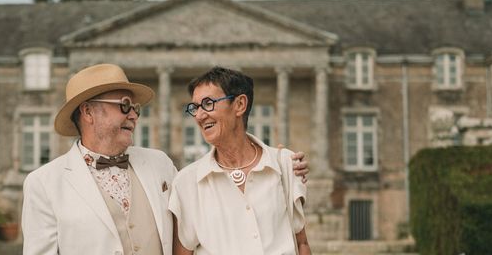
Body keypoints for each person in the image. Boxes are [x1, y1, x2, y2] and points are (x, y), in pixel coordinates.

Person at [22, 63, 309, 255]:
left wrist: (278, 161)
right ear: (87, 112)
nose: (134, 114)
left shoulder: (160, 165)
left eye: (134, 107)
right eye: (124, 106)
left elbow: (217, 184)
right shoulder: (43, 184)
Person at [169, 66, 312, 255]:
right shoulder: (187, 181)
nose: (200, 115)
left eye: (208, 103)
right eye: (195, 108)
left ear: (240, 105)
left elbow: (301, 243)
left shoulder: (285, 164)